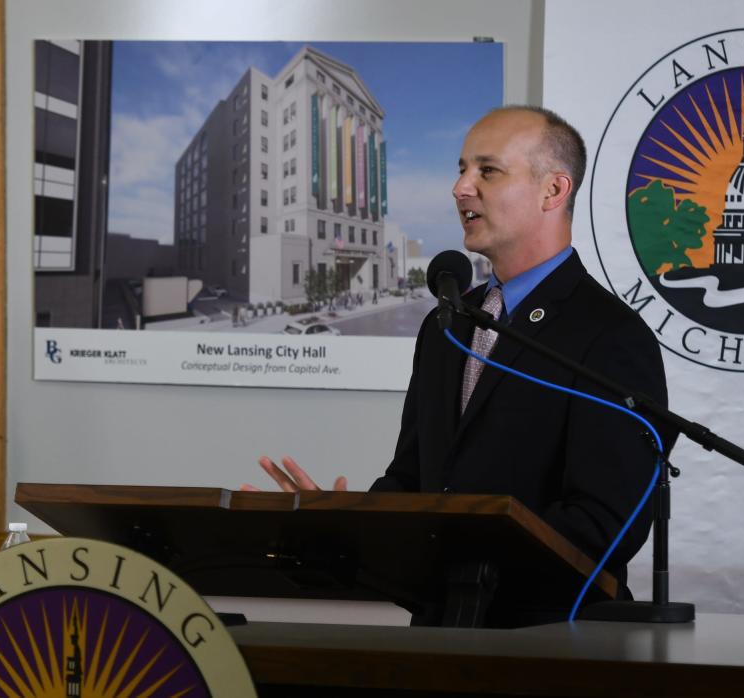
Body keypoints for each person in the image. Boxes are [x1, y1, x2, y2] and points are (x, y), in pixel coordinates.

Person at [245, 106, 672, 626]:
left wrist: (457, 557)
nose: (460, 188)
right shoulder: (446, 327)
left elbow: (604, 527)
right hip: (440, 640)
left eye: (487, 171)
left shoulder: (611, 336)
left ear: (553, 191)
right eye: (461, 169)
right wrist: (344, 528)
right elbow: (412, 479)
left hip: (549, 649)